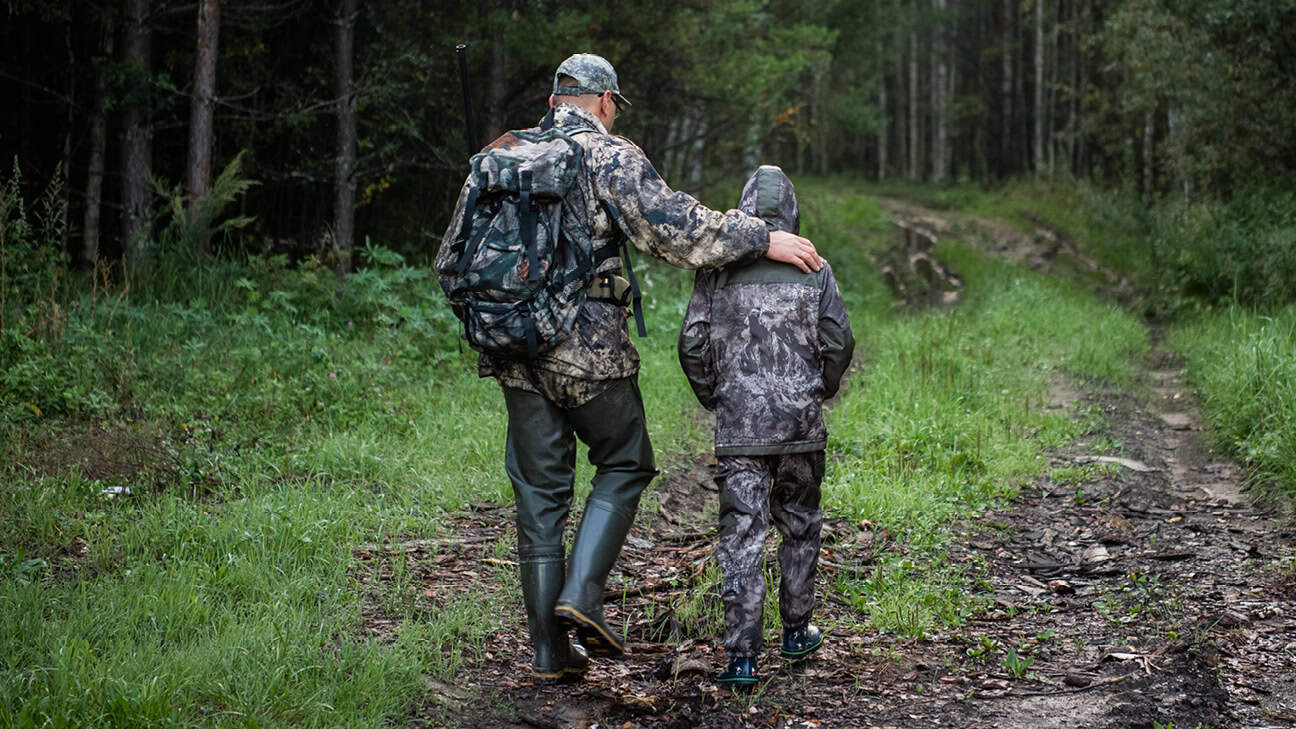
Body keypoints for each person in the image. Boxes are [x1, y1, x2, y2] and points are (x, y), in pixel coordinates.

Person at [435, 54, 824, 682]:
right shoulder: (609, 156)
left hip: (512, 356)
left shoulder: (498, 156)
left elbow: (449, 264)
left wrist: (500, 324)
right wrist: (761, 237)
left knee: (539, 499)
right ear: (605, 101)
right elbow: (675, 230)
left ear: (558, 97)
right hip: (589, 353)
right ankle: (582, 598)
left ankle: (549, 654)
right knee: (625, 460)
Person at [677, 164, 855, 690]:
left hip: (740, 430)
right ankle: (797, 632)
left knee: (742, 535)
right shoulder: (813, 266)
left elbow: (691, 344)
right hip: (800, 425)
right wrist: (818, 388)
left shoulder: (715, 271)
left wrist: (717, 395)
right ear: (792, 212)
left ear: (745, 210)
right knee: (799, 522)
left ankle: (742, 660)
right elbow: (839, 341)